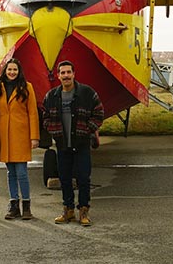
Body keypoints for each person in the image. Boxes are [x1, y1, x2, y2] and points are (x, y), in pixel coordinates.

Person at [42, 60, 104, 227]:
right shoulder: (51, 96)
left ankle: (83, 210)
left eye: (69, 72)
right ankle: (68, 210)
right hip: (62, 144)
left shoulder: (87, 93)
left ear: (74, 74)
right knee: (65, 178)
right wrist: (53, 131)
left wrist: (87, 130)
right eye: (62, 73)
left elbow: (99, 114)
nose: (66, 75)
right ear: (58, 76)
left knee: (84, 178)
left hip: (82, 143)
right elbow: (45, 117)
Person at [0, 58, 39, 220]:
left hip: (21, 135)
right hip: (4, 136)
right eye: (9, 69)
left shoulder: (27, 87)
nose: (12, 72)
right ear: (5, 71)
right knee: (10, 172)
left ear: (19, 71)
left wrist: (34, 137)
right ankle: (14, 205)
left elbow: (33, 113)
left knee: (21, 172)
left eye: (15, 69)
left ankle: (26, 205)